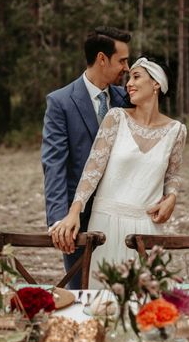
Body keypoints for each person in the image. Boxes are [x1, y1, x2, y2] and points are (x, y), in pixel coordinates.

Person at [51, 57, 187, 288]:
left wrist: (172, 197)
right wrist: (74, 211)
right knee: (103, 302)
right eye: (128, 78)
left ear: (156, 84)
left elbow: (172, 175)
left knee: (150, 303)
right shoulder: (116, 117)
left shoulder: (176, 130)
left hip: (147, 227)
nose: (128, 84)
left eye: (136, 77)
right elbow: (93, 169)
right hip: (105, 225)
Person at [41, 26, 132, 289]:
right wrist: (59, 220)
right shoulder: (61, 103)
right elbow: (54, 163)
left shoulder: (127, 98)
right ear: (102, 59)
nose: (126, 68)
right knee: (82, 294)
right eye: (122, 60)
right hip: (78, 219)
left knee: (124, 292)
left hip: (122, 215)